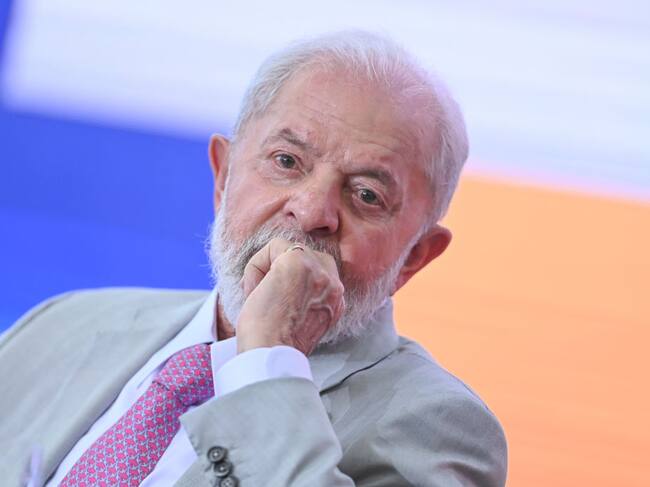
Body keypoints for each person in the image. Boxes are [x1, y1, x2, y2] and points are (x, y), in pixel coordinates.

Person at [0, 31, 507, 486]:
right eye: (287, 161)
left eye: (366, 195)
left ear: (414, 258)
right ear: (223, 176)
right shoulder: (64, 324)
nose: (311, 212)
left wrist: (268, 360)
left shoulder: (441, 430)